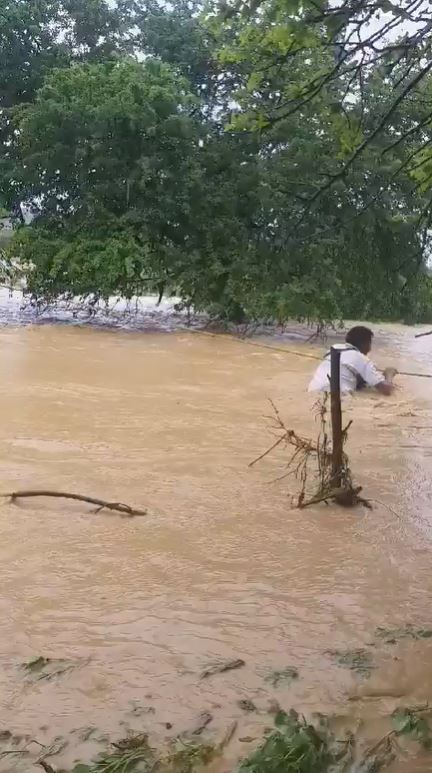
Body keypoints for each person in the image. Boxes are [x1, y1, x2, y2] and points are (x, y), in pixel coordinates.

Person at [308, 326, 396, 396]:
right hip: (336, 396)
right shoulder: (361, 359)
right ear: (366, 344)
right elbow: (386, 390)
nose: (370, 348)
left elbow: (344, 373)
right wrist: (389, 374)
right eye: (370, 343)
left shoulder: (334, 349)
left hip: (313, 391)